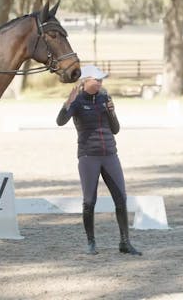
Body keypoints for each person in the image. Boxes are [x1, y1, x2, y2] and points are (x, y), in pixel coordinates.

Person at [56, 65, 142, 256]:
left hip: (110, 155)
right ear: (85, 81)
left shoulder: (105, 98)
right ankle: (91, 242)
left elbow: (116, 129)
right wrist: (67, 103)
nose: (101, 82)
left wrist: (111, 111)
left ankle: (125, 243)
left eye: (102, 79)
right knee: (89, 201)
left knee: (121, 198)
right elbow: (60, 121)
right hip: (89, 157)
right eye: (97, 79)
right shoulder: (77, 101)